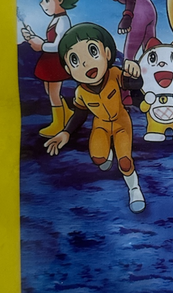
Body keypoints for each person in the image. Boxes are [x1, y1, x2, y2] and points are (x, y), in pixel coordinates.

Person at [44, 23, 146, 213]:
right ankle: (107, 154)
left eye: (92, 51)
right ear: (68, 69)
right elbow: (80, 113)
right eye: (75, 60)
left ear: (107, 53)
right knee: (99, 159)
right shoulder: (80, 92)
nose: (86, 63)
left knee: (124, 161)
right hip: (100, 125)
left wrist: (135, 73)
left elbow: (135, 85)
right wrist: (66, 133)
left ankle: (134, 189)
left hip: (121, 123)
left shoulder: (114, 74)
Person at [21, 0, 82, 136]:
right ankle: (66, 113)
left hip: (56, 62)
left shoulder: (63, 21)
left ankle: (58, 123)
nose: (42, 3)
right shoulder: (56, 19)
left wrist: (41, 45)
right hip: (49, 61)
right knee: (50, 91)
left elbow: (59, 45)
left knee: (54, 93)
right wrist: (32, 37)